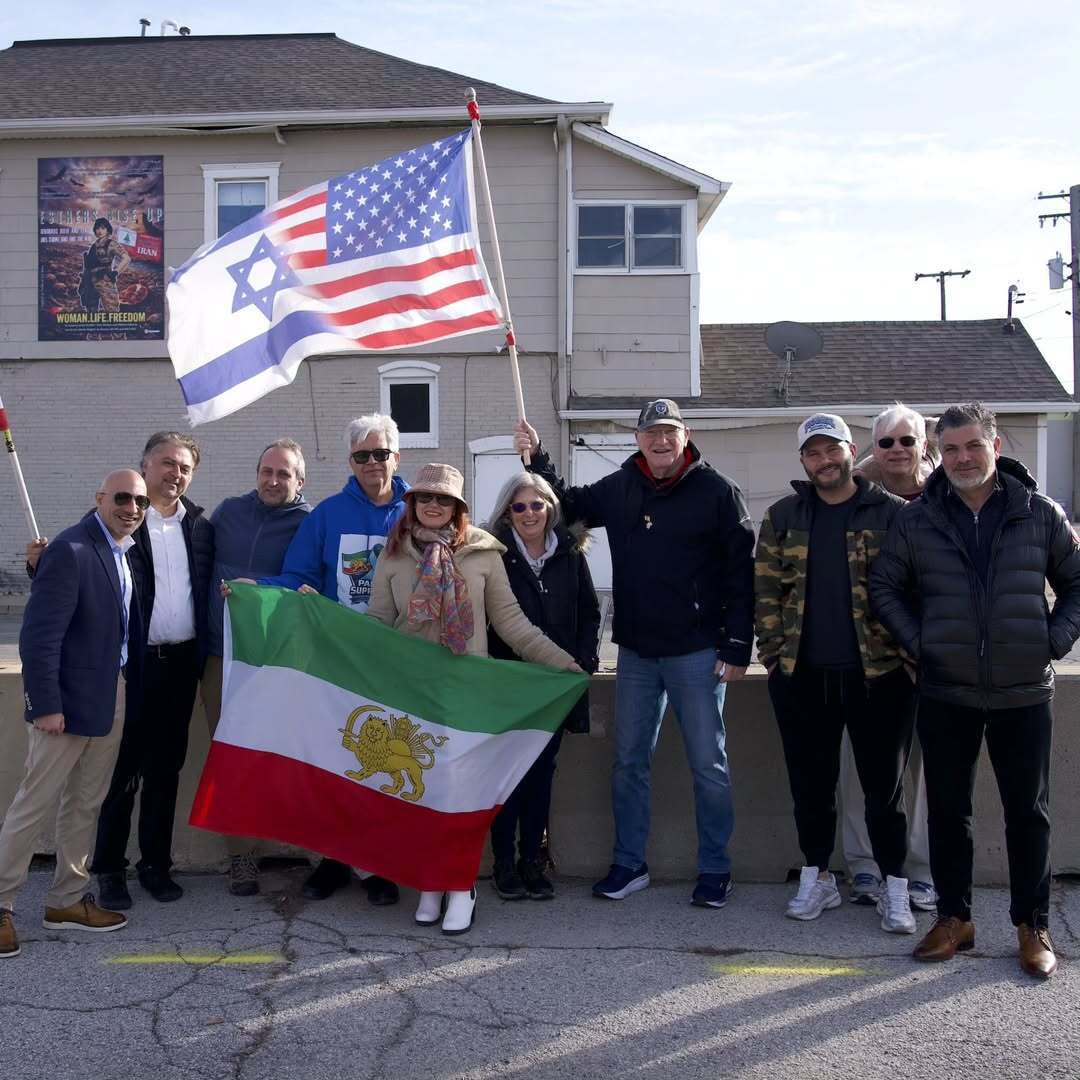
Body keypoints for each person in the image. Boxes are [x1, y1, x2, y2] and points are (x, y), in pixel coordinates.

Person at [516, 398, 754, 909]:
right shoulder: (622, 487)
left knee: (708, 764)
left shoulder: (718, 492)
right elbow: (568, 505)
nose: (661, 441)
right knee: (629, 763)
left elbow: (742, 572)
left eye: (669, 432)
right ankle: (630, 863)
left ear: (686, 436)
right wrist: (537, 459)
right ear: (638, 440)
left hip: (698, 651)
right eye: (651, 433)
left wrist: (738, 644)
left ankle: (716, 868)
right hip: (638, 653)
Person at [871, 402, 1080, 979]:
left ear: (996, 446)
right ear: (939, 452)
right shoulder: (918, 519)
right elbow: (884, 587)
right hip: (947, 690)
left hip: (1023, 690)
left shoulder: (1039, 512)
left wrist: (1052, 640)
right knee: (947, 812)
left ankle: (1031, 925)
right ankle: (954, 919)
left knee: (1028, 813)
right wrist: (923, 643)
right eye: (952, 449)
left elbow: (1076, 582)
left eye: (973, 446)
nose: (963, 458)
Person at [368, 463, 581, 934]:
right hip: (412, 692)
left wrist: (561, 662)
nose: (434, 505)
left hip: (466, 694)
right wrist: (318, 617)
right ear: (413, 504)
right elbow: (378, 622)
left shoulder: (483, 554)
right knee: (422, 792)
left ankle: (461, 887)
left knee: (462, 796)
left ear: (457, 508)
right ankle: (431, 882)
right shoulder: (394, 554)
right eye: (425, 498)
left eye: (443, 499)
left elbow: (512, 623)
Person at [755, 413, 917, 934]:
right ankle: (818, 877)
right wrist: (774, 657)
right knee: (811, 787)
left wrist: (908, 656)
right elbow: (765, 592)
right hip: (802, 677)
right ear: (804, 461)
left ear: (852, 451)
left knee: (884, 791)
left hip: (880, 677)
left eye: (832, 450)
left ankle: (896, 886)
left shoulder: (892, 514)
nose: (824, 461)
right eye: (813, 453)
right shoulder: (784, 516)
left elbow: (915, 588)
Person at [255, 414, 408, 905]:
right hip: (336, 663)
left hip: (399, 664)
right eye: (362, 455)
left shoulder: (418, 510)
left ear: (396, 457)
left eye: (380, 453)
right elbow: (297, 578)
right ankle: (334, 861)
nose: (372, 463)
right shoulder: (325, 516)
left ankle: (379, 865)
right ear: (350, 461)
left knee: (383, 772)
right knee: (335, 765)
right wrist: (253, 589)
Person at [0, 470, 146, 959]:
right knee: (33, 805)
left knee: (85, 803)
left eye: (140, 501)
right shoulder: (71, 549)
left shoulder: (122, 552)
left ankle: (66, 900)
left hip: (110, 695)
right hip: (63, 704)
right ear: (99, 498)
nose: (132, 508)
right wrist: (45, 705)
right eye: (122, 497)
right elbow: (39, 637)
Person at [92, 432, 214, 909]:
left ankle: (155, 866)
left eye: (184, 467)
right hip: (133, 667)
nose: (175, 474)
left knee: (165, 771)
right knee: (122, 772)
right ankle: (109, 870)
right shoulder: (122, 517)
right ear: (145, 466)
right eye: (166, 463)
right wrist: (40, 564)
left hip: (181, 666)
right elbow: (80, 560)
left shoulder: (200, 527)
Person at [203, 438, 312, 896]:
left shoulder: (309, 523)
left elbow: (309, 581)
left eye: (283, 474)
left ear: (300, 481)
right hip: (219, 655)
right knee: (231, 756)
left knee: (288, 757)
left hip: (277, 663)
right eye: (267, 471)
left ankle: (313, 847)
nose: (273, 480)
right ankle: (241, 856)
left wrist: (259, 586)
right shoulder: (227, 513)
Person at [484, 472, 601, 901]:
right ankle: (504, 863)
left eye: (537, 504)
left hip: (556, 683)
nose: (529, 513)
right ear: (507, 513)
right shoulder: (494, 556)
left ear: (550, 508)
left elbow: (590, 612)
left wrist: (585, 661)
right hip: (508, 683)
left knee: (540, 776)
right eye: (519, 506)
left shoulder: (570, 554)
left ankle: (532, 861)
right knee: (506, 777)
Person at [841, 402, 937, 911]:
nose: (897, 450)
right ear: (872, 447)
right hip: (865, 658)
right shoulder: (853, 496)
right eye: (886, 442)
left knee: (925, 769)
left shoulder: (948, 494)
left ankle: (919, 869)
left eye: (907, 440)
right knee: (859, 765)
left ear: (925, 444)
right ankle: (863, 864)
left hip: (931, 656)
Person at [80, 217, 131, 313]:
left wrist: (115, 272)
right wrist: (84, 281)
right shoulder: (94, 245)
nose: (100, 231)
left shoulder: (111, 244)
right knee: (91, 310)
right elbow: (88, 265)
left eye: (103, 228)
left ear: (108, 230)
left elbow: (126, 258)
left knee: (112, 311)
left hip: (104, 280)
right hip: (90, 281)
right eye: (97, 228)